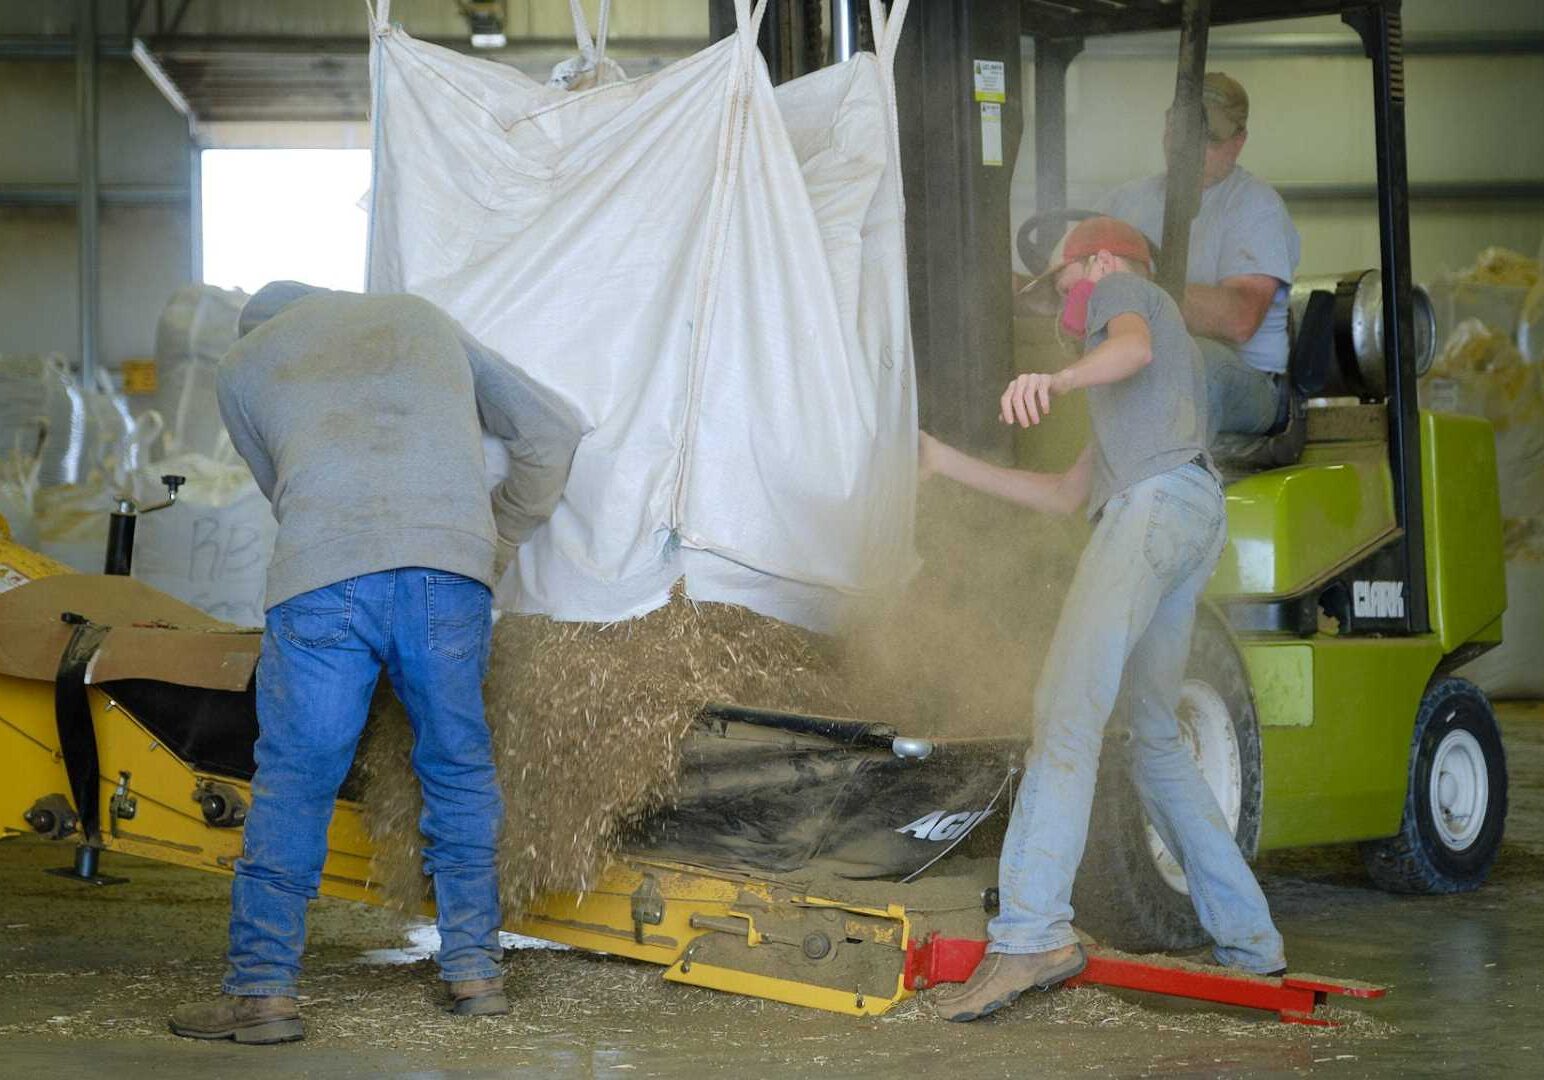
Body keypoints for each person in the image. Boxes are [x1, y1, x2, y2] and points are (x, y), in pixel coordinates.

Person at [169, 281, 583, 1044]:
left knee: (297, 779)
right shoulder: (419, 316)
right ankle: (474, 971)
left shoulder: (240, 365)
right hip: (448, 573)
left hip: (324, 580)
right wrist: (495, 539)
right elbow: (554, 430)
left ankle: (263, 993)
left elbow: (285, 493)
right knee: (456, 764)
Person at [924, 218, 1284, 1023]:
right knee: (1153, 737)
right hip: (1188, 513)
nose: (1063, 307)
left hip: (1152, 511)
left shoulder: (1126, 294)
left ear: (1097, 261)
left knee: (1064, 711)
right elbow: (1061, 496)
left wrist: (1055, 382)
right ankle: (1252, 943)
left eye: (1061, 286)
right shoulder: (1148, 395)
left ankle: (1030, 934)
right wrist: (945, 464)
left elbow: (1129, 348)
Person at [1098, 72, 1301, 442]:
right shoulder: (1125, 201)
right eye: (1181, 131)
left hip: (1247, 380)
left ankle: (1170, 493)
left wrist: (1135, 287)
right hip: (1149, 357)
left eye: (1206, 138)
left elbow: (1239, 318)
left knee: (1187, 364)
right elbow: (1066, 274)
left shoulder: (1254, 206)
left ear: (1238, 142)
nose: (1188, 147)